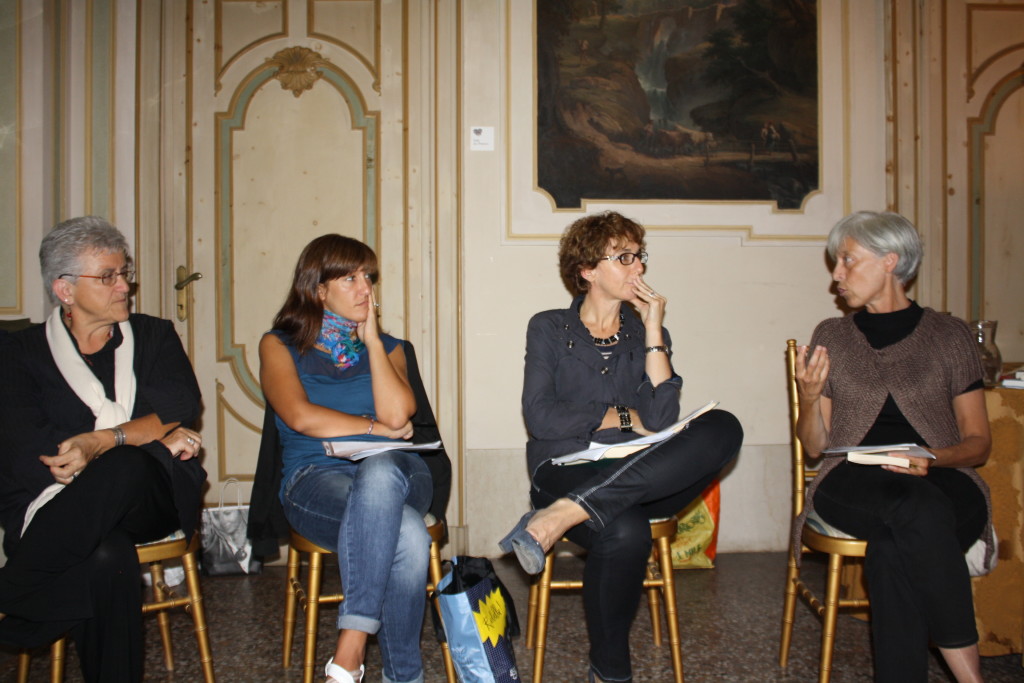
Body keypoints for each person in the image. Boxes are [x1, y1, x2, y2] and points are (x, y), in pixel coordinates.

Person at [500, 211, 743, 683]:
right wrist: (624, 417)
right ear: (588, 270)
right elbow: (541, 416)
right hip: (565, 466)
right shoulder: (549, 327)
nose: (640, 269)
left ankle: (562, 516)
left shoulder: (648, 336)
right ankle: (610, 672)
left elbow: (664, 420)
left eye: (640, 257)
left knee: (723, 426)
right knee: (626, 529)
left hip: (639, 468)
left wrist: (654, 330)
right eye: (625, 258)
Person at [0, 216, 206, 682]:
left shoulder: (153, 335)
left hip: (152, 496)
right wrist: (152, 433)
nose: (124, 287)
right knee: (105, 555)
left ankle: (14, 590)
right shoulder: (19, 354)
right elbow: (32, 457)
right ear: (64, 290)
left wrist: (102, 440)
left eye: (124, 273)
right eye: (108, 276)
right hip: (50, 504)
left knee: (128, 465)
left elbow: (181, 405)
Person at [794, 211, 994, 683]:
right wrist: (807, 400)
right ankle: (972, 678)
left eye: (846, 260)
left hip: (945, 478)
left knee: (892, 549)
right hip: (851, 478)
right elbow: (814, 447)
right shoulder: (832, 336)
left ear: (891, 260)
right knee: (916, 508)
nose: (836, 276)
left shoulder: (951, 335)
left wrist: (933, 457)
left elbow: (979, 442)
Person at [259, 234, 433, 683]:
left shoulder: (391, 346)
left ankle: (350, 648)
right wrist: (373, 428)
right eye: (350, 278)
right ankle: (404, 677)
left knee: (380, 467)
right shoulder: (278, 345)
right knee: (409, 535)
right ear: (318, 290)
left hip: (399, 471)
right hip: (315, 478)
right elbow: (300, 416)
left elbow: (399, 413)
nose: (365, 289)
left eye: (369, 278)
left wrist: (372, 342)